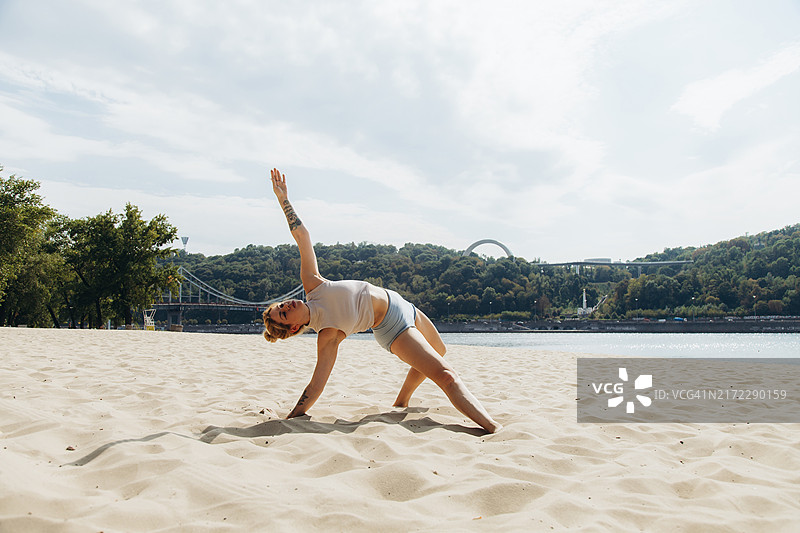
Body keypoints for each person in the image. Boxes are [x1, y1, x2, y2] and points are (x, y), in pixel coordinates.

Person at [262, 168, 501, 433]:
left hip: (403, 305)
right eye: (283, 314)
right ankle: (492, 428)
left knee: (440, 350)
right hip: (393, 328)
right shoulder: (327, 335)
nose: (286, 306)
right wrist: (293, 415)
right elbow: (317, 384)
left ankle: (401, 401)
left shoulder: (313, 284)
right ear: (294, 328)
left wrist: (283, 199)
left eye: (281, 305)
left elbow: (302, 237)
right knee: (445, 375)